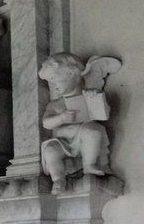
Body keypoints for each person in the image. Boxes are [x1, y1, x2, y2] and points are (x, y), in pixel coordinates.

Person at [39, 53, 120, 193]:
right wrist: (61, 118)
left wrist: (95, 97)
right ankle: (58, 179)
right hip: (62, 143)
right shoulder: (55, 104)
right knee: (50, 150)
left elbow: (104, 114)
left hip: (83, 136)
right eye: (49, 82)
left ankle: (89, 165)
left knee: (93, 130)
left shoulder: (88, 94)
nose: (52, 85)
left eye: (54, 79)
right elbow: (46, 123)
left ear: (71, 73)